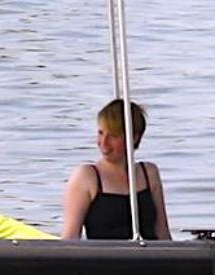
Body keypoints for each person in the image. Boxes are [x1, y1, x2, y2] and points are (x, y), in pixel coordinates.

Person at [61, 98, 172, 241]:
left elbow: (162, 232)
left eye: (113, 136)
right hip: (105, 260)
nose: (103, 143)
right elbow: (70, 237)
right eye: (101, 133)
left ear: (134, 137)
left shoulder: (149, 174)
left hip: (149, 259)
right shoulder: (87, 177)